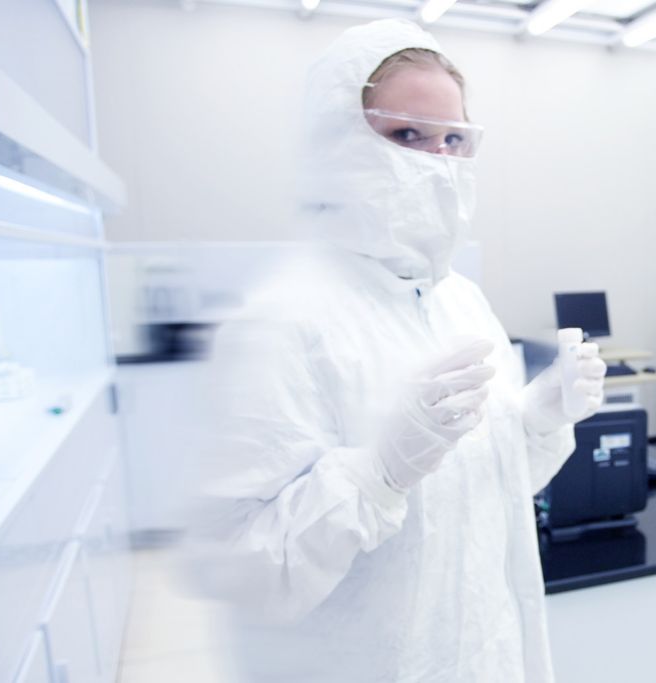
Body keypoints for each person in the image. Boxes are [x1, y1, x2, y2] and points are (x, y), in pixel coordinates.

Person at [184, 18, 605, 683]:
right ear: (336, 142)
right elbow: (241, 569)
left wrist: (534, 419)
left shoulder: (461, 301)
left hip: (483, 655)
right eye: (406, 135)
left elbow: (489, 495)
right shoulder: (280, 321)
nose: (436, 164)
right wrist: (375, 473)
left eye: (453, 140)